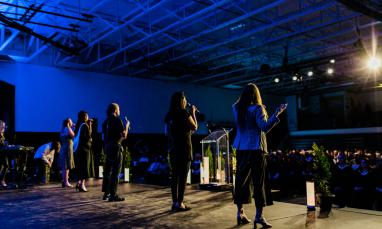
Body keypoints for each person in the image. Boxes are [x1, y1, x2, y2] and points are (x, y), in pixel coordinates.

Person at [232, 83, 286, 228]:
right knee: (259, 183)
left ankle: (240, 212)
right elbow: (264, 127)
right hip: (256, 149)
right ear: (256, 94)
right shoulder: (257, 108)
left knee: (241, 181)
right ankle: (259, 216)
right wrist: (276, 114)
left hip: (241, 148)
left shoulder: (236, 108)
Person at [164, 91, 198, 211]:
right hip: (184, 149)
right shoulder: (184, 113)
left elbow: (167, 133)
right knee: (183, 177)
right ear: (182, 101)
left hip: (173, 149)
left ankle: (174, 202)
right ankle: (180, 203)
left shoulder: (169, 115)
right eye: (184, 99)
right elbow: (194, 127)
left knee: (174, 176)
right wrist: (193, 112)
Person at [102, 103, 130, 202]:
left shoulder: (105, 122)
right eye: (119, 109)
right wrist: (127, 126)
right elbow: (124, 135)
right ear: (115, 110)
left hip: (107, 147)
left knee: (107, 171)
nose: (119, 111)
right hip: (116, 147)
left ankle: (106, 193)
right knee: (115, 172)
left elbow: (104, 137)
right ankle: (113, 194)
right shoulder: (117, 120)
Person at [74, 111, 94, 192]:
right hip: (84, 150)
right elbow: (88, 137)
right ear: (85, 116)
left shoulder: (78, 125)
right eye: (87, 115)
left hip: (78, 150)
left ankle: (79, 183)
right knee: (84, 167)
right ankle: (82, 184)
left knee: (80, 167)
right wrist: (90, 125)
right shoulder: (84, 125)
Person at [59, 118, 76, 188]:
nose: (72, 122)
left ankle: (64, 181)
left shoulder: (64, 129)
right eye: (71, 121)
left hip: (65, 148)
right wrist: (70, 126)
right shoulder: (67, 128)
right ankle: (66, 182)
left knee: (65, 166)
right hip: (67, 149)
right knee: (66, 166)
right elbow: (72, 135)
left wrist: (72, 127)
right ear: (68, 123)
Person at [0, 120, 9, 188]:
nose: (4, 127)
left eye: (4, 126)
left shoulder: (2, 134)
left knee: (5, 166)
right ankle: (2, 181)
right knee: (5, 165)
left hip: (3, 153)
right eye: (2, 126)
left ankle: (2, 180)